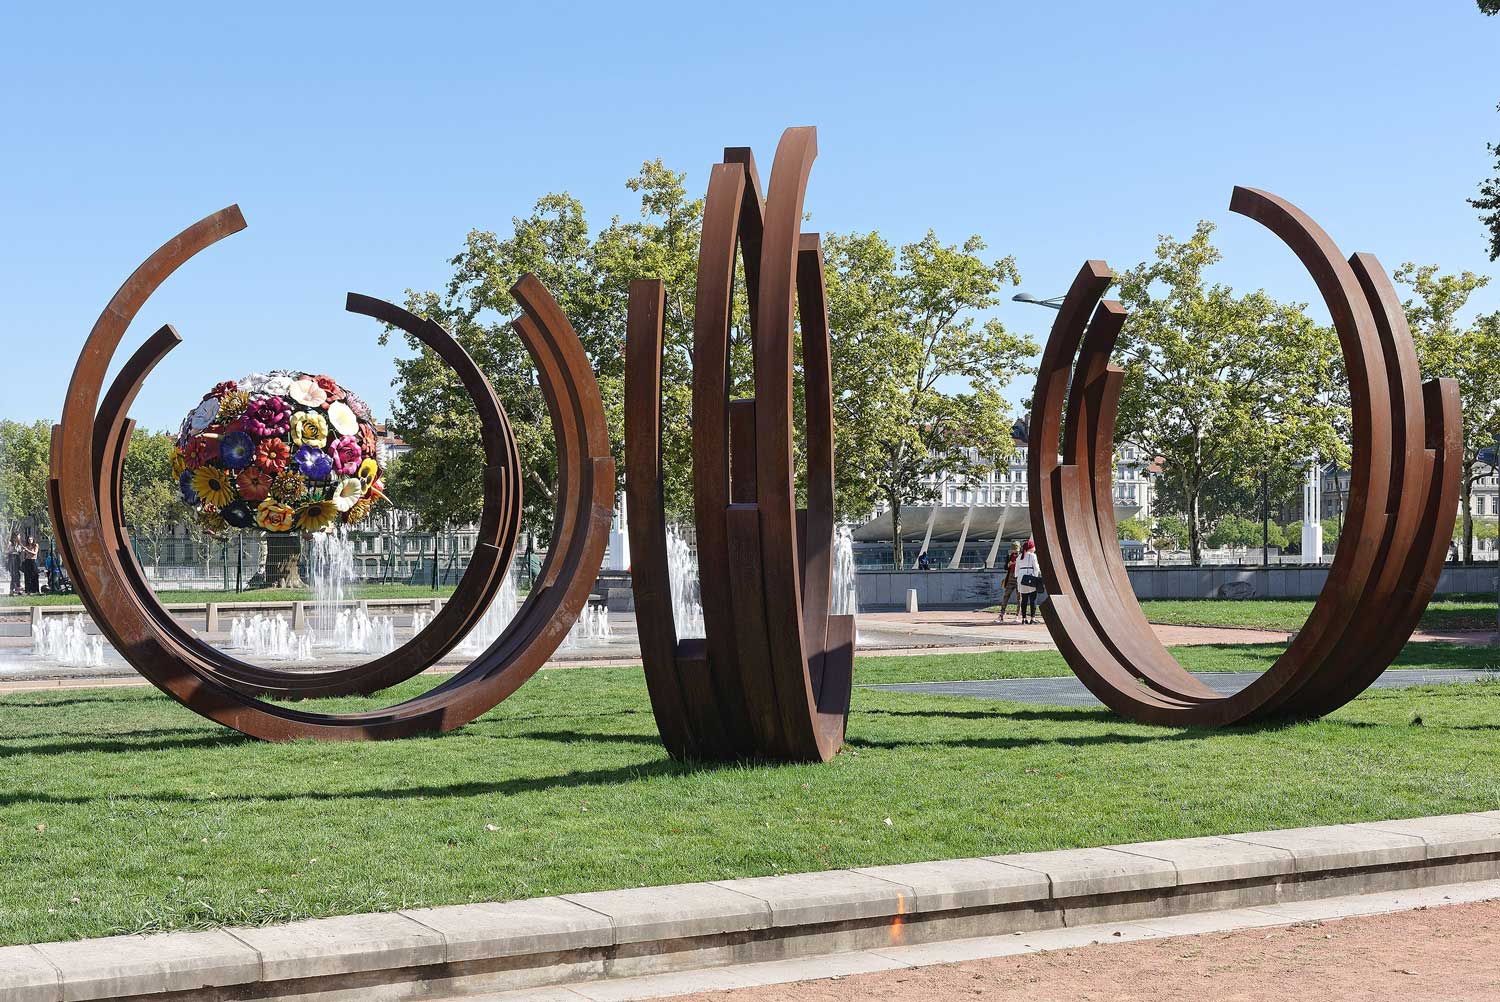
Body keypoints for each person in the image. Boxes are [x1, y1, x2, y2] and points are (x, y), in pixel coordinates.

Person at [1015, 539, 1042, 625]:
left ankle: (1023, 618)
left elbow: (1016, 570)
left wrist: (1018, 577)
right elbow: (1036, 567)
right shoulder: (1032, 555)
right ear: (1031, 547)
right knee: (1033, 599)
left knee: (1024, 599)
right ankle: (1033, 618)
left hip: (1021, 578)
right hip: (1030, 577)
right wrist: (1035, 576)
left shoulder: (1019, 556)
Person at [995, 541, 1021, 622]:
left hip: (1018, 577)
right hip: (1010, 577)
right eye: (1014, 549)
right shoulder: (1009, 556)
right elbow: (1005, 567)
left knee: (1019, 597)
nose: (1015, 551)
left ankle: (1017, 615)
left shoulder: (1021, 556)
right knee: (1006, 595)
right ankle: (1002, 614)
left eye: (1016, 549)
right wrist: (1008, 565)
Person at [6, 531, 20, 596]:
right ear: (15, 536)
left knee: (18, 575)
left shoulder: (18, 543)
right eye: (18, 536)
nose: (19, 537)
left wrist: (20, 550)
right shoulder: (10, 543)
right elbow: (7, 551)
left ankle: (17, 589)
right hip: (12, 559)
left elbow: (19, 551)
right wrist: (12, 550)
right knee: (13, 576)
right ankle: (11, 591)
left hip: (17, 559)